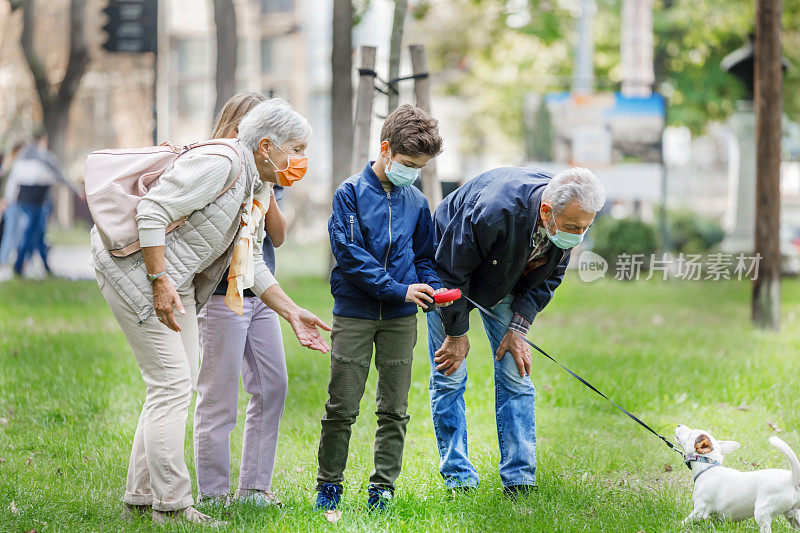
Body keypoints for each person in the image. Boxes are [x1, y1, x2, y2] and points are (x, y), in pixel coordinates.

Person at [91, 97, 330, 526]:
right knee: (172, 386)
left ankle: (140, 497)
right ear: (266, 145)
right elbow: (152, 211)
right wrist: (161, 281)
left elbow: (252, 262)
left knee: (169, 386)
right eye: (295, 148)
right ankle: (175, 507)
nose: (300, 159)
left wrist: (292, 312)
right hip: (135, 270)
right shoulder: (222, 162)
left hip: (170, 278)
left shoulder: (255, 182)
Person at [426, 167, 605, 496]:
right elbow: (451, 269)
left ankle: (520, 478)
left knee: (516, 371)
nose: (577, 236)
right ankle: (458, 478)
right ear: (546, 211)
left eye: (585, 228)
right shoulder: (495, 211)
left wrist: (518, 329)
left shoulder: (568, 214)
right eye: (572, 228)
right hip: (448, 275)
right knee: (449, 373)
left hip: (505, 274)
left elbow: (547, 279)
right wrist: (455, 333)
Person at [315, 105, 449, 511]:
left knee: (394, 408)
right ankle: (329, 485)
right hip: (354, 313)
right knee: (342, 406)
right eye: (408, 164)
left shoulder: (415, 199)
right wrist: (398, 289)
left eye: (420, 168)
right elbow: (351, 256)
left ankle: (383, 487)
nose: (413, 172)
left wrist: (434, 288)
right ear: (385, 149)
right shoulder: (349, 193)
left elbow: (424, 256)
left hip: (400, 320)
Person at [193, 92, 291, 508]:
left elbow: (279, 238)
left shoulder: (270, 172)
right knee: (219, 398)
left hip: (262, 291)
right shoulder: (216, 166)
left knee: (273, 385)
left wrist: (267, 187)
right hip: (220, 294)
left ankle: (253, 488)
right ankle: (213, 495)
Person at [0, 141, 29, 280]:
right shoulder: (12, 166)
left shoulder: (21, 166)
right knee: (10, 234)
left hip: (20, 204)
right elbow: (8, 187)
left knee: (19, 234)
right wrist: (4, 201)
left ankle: (18, 263)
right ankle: (3, 263)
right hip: (12, 204)